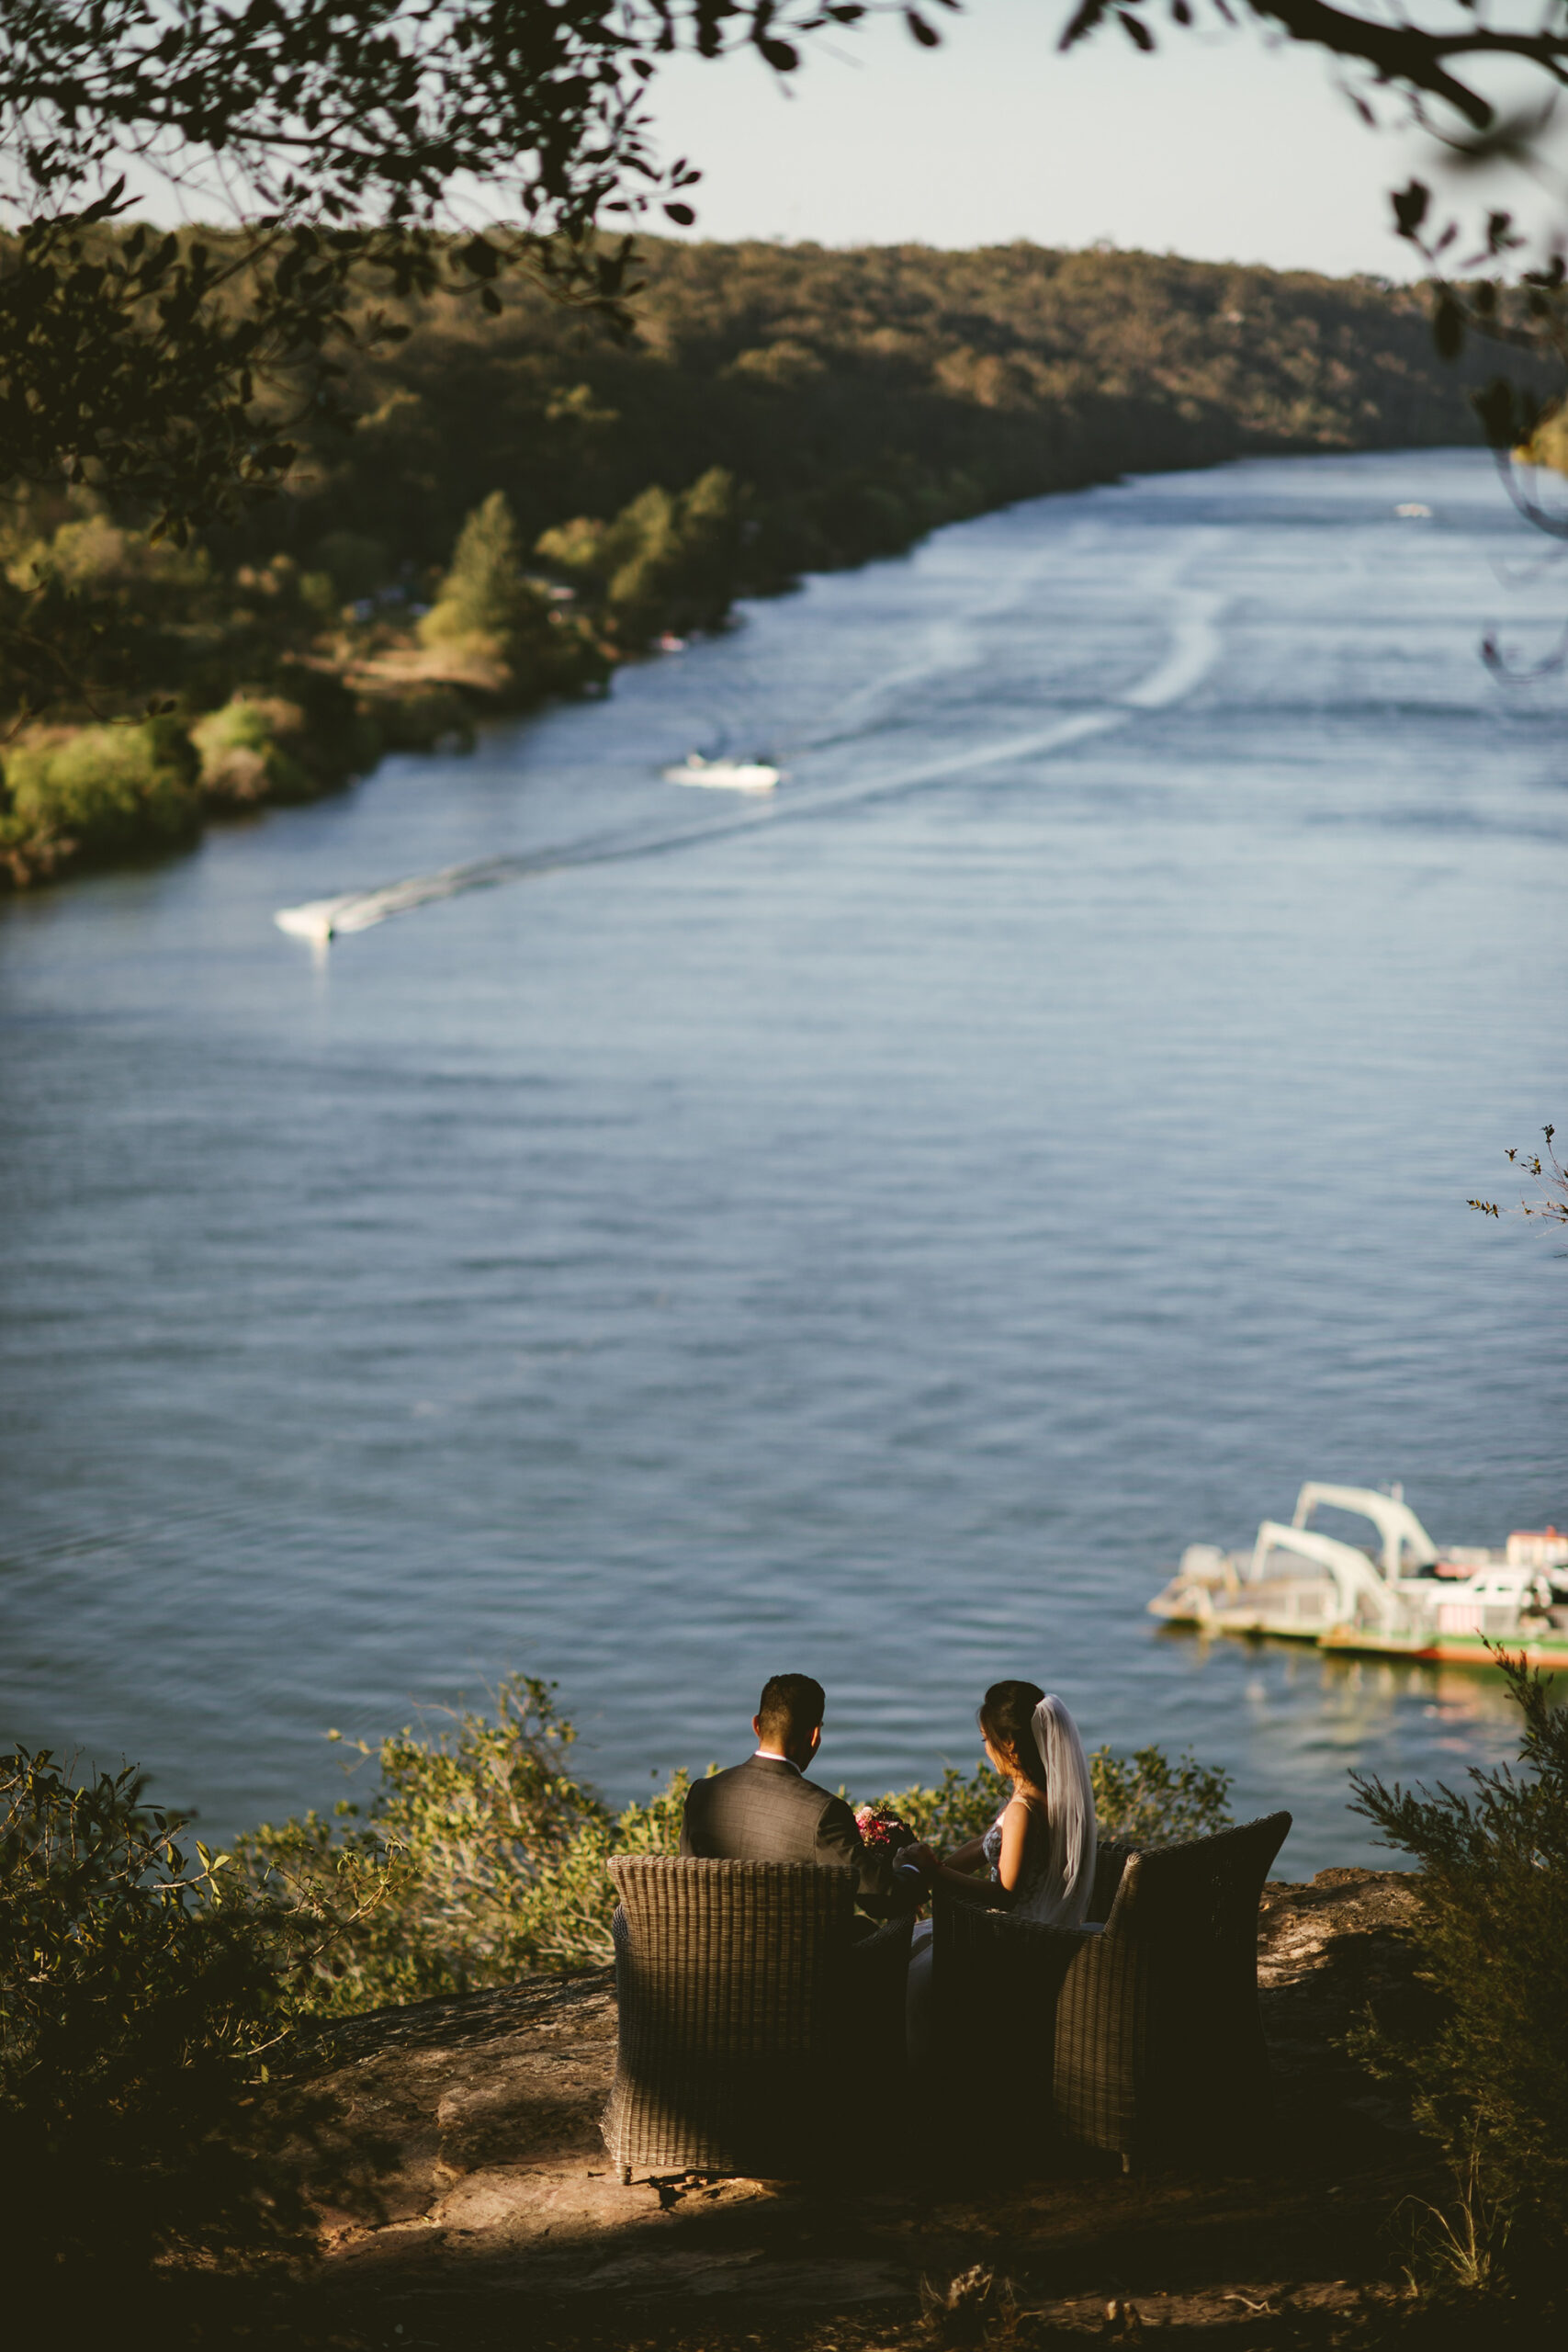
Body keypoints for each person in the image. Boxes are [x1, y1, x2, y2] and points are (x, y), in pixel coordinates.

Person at [906, 1679, 1098, 2059]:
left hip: (1011, 1937)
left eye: (985, 1740)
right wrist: (934, 1864)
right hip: (1034, 1927)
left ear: (1009, 1745)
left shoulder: (1023, 1810)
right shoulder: (1041, 1795)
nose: (986, 1751)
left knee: (907, 1972)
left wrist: (936, 1874)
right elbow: (986, 1844)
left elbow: (1004, 1893)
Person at [680, 1670, 926, 1921]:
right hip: (797, 1959)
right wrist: (910, 1866)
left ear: (756, 1725)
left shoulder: (702, 1794)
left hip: (710, 1954)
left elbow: (692, 1884)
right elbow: (883, 1901)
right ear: (814, 1736)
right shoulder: (823, 1813)